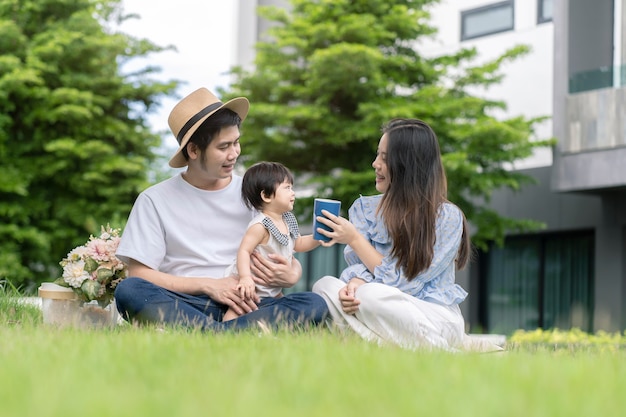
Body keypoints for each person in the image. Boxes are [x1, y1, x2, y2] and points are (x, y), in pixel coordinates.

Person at [113, 88, 328, 331]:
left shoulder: (252, 193)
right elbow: (139, 274)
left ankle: (210, 334)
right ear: (193, 150)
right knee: (129, 291)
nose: (234, 153)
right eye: (223, 146)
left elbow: (285, 247)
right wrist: (207, 285)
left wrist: (293, 274)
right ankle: (233, 333)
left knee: (314, 303)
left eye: (236, 142)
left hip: (250, 303)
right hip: (186, 302)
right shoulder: (154, 200)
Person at [312, 118, 486, 351]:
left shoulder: (447, 217)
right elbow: (358, 267)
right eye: (377, 155)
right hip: (377, 308)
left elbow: (405, 282)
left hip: (433, 315)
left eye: (385, 158)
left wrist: (354, 239)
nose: (375, 164)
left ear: (408, 164)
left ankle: (439, 350)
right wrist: (354, 283)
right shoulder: (363, 209)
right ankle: (392, 346)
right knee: (325, 286)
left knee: (372, 295)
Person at [222, 161, 322, 321]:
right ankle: (224, 329)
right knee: (238, 310)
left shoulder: (287, 220)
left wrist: (319, 237)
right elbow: (244, 251)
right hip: (250, 288)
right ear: (266, 196)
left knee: (290, 305)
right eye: (287, 188)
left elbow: (299, 244)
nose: (293, 193)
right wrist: (245, 277)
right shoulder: (260, 225)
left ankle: (264, 328)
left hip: (271, 290)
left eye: (292, 188)